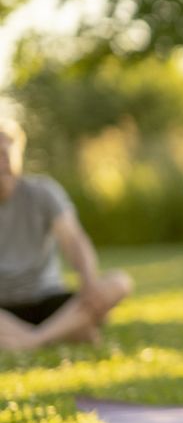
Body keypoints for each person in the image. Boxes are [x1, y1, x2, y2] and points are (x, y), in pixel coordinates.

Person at [0, 116, 133, 350]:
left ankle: (31, 340)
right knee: (86, 327)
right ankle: (67, 332)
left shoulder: (43, 192)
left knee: (119, 283)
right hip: (4, 310)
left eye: (8, 152)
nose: (4, 161)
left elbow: (73, 240)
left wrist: (89, 281)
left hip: (49, 301)